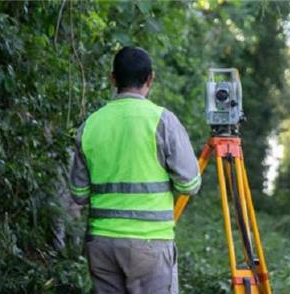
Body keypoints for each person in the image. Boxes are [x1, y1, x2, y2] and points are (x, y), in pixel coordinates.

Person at [68, 46, 201, 293]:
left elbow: (78, 193)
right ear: (150, 78)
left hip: (102, 245)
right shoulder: (163, 120)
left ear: (113, 78)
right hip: (150, 245)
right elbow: (190, 184)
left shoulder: (91, 125)